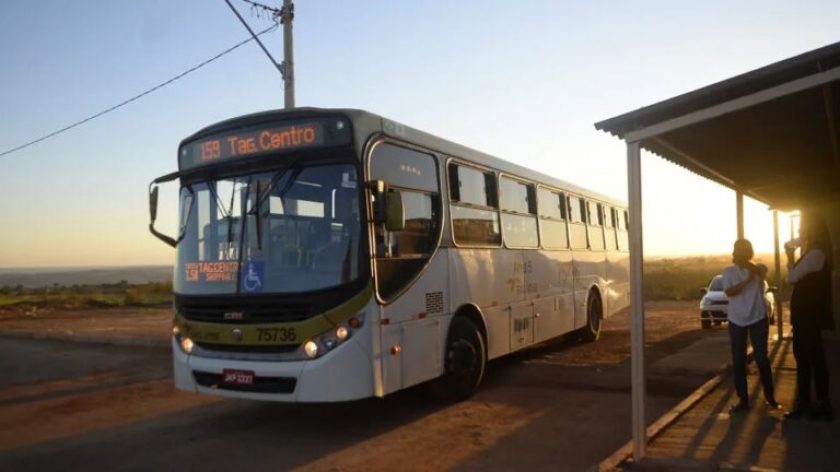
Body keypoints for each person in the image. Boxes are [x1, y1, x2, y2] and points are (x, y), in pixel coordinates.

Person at [722, 239, 780, 413]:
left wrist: (751, 269)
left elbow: (762, 271)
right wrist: (747, 280)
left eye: (744, 250)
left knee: (762, 358)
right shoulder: (728, 272)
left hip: (757, 318)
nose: (740, 253)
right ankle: (743, 400)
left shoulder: (758, 269)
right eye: (738, 250)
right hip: (736, 320)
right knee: (738, 360)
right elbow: (730, 292)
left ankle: (770, 397)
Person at [785, 215, 834, 421]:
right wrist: (795, 247)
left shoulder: (815, 254)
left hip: (808, 315)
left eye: (802, 229)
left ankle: (816, 403)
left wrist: (789, 255)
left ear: (811, 231)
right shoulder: (814, 251)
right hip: (807, 314)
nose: (798, 232)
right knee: (807, 358)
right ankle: (809, 402)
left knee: (810, 358)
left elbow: (791, 277)